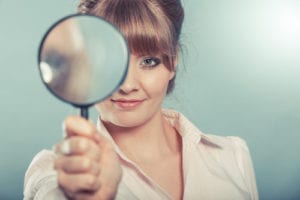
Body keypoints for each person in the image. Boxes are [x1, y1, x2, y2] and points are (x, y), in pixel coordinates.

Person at [24, 0, 259, 199]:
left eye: (148, 61)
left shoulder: (233, 156)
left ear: (173, 60)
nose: (127, 86)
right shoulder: (55, 173)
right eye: (111, 62)